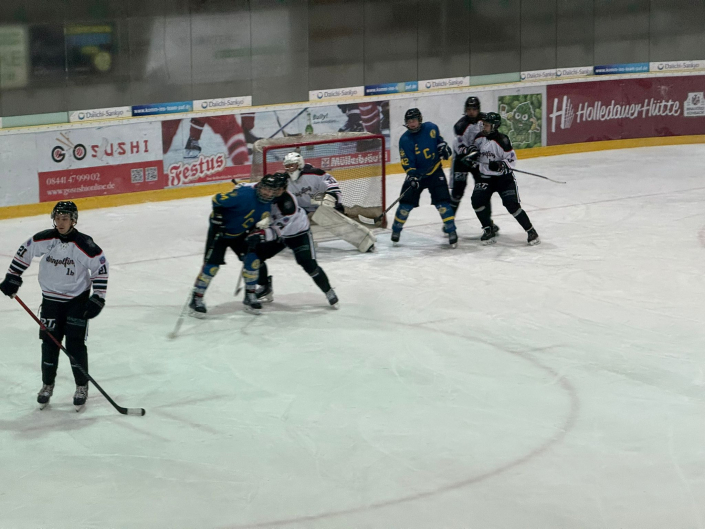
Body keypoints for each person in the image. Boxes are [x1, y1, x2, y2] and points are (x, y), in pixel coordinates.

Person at [0, 201, 109, 410]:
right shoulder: (45, 238)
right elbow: (24, 251)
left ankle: (81, 386)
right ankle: (47, 385)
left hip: (76, 301)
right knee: (49, 343)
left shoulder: (84, 244)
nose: (60, 222)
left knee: (75, 344)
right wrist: (13, 276)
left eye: (65, 218)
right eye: (57, 218)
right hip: (50, 301)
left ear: (73, 220)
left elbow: (100, 267)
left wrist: (98, 297)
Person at [189, 173, 284, 316]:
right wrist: (217, 217)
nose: (268, 193)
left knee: (253, 261)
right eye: (266, 189)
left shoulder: (268, 204)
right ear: (260, 186)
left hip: (239, 234)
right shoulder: (244, 195)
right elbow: (217, 199)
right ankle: (197, 297)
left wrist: (255, 231)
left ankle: (250, 295)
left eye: (271, 191)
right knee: (211, 266)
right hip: (220, 233)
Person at [251, 174, 340, 309]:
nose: (272, 191)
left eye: (278, 189)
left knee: (308, 264)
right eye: (272, 188)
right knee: (255, 256)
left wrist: (260, 235)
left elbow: (277, 231)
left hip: (297, 233)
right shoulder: (266, 192)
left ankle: (328, 291)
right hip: (279, 233)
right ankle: (265, 287)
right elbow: (249, 188)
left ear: (284, 189)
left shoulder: (288, 205)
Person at [470, 112, 540, 245]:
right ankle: (488, 229)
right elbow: (474, 151)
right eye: (483, 124)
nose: (484, 127)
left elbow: (511, 160)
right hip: (485, 178)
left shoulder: (503, 141)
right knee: (477, 201)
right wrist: (471, 154)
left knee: (512, 205)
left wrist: (500, 165)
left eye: (487, 125)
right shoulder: (479, 138)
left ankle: (531, 231)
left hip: (503, 179)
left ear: (494, 126)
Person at [283, 152, 375, 252]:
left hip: (317, 200)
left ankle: (364, 241)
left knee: (325, 215)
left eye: (292, 166)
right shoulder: (284, 180)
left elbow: (332, 184)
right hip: (302, 207)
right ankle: (300, 242)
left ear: (299, 164)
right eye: (287, 166)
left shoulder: (314, 173)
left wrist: (331, 197)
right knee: (289, 216)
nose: (289, 169)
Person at [392, 108, 458, 247]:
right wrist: (412, 176)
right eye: (409, 121)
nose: (412, 124)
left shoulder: (431, 128)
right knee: (405, 205)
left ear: (420, 120)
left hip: (435, 172)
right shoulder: (405, 139)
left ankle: (451, 231)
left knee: (443, 204)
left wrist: (443, 148)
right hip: (417, 175)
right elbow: (406, 161)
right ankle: (396, 229)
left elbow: (439, 142)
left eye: (414, 120)